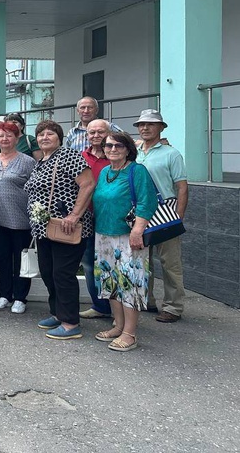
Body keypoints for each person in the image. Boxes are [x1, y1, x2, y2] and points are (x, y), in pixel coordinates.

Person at [25, 120, 95, 340]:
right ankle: (57, 312)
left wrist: (74, 215)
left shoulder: (69, 156)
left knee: (63, 274)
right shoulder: (42, 161)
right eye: (41, 134)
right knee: (48, 271)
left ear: (60, 138)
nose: (44, 137)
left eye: (50, 134)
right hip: (45, 228)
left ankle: (70, 323)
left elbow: (88, 184)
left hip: (66, 227)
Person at [91, 131, 156, 352]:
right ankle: (118, 326)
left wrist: (138, 231)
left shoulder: (137, 171)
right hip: (104, 234)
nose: (112, 149)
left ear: (128, 149)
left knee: (129, 282)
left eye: (118, 146)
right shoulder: (105, 172)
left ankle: (130, 333)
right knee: (110, 281)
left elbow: (147, 202)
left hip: (128, 236)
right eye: (108, 146)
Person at [134, 109, 188, 323]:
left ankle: (173, 307)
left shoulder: (171, 154)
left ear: (161, 128)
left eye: (151, 124)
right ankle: (146, 300)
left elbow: (182, 187)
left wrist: (178, 217)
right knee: (142, 261)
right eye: (141, 124)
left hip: (165, 212)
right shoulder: (134, 152)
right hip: (139, 213)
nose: (145, 127)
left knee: (170, 263)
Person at [0, 121, 36, 314]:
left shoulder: (27, 162)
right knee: (1, 258)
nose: (5, 139)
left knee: (21, 260)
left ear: (17, 138)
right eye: (1, 135)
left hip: (20, 219)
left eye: (9, 135)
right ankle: (5, 295)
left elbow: (35, 190)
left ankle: (20, 297)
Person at [78, 119, 113, 319]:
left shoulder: (116, 155)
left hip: (111, 217)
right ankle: (99, 306)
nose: (96, 135)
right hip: (87, 216)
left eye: (101, 132)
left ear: (108, 133)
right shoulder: (80, 157)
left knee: (112, 263)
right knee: (90, 263)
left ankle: (117, 309)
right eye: (92, 132)